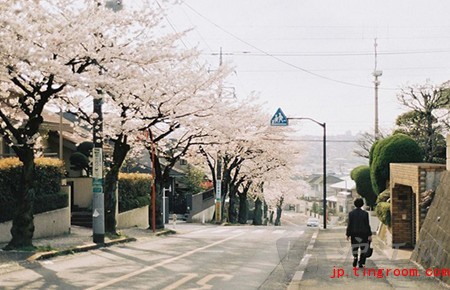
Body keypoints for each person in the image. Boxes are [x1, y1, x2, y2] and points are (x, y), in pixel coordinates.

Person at [346, 198, 372, 268]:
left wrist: (348, 234)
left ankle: (355, 257)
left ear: (354, 204)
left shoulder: (351, 213)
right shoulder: (365, 214)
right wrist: (369, 235)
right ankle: (361, 262)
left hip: (354, 234)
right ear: (362, 204)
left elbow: (349, 224)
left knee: (355, 247)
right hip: (364, 234)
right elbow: (367, 225)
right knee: (363, 248)